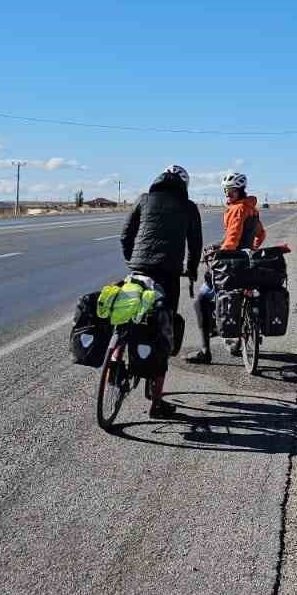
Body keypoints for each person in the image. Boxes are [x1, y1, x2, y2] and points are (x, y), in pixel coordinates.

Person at [120, 164, 203, 419]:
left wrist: (132, 261)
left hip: (138, 269)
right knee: (164, 330)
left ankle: (117, 356)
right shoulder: (188, 207)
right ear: (183, 185)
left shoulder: (143, 200)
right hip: (167, 275)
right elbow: (195, 243)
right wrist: (191, 270)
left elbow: (125, 235)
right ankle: (156, 402)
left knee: (126, 315)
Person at [187, 171, 265, 364]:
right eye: (226, 190)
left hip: (231, 264)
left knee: (201, 299)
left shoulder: (237, 209)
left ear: (240, 190)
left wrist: (220, 253)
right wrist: (250, 250)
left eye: (231, 190)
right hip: (247, 263)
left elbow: (232, 240)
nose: (227, 194)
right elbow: (261, 235)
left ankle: (205, 351)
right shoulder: (252, 209)